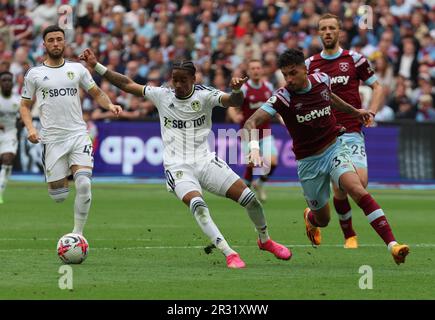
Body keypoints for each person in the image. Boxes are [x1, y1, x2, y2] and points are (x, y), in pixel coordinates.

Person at [80, 48, 291, 269]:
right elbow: (127, 84)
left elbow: (233, 101)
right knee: (198, 206)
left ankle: (265, 240)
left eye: (183, 81)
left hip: (206, 160)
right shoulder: (163, 95)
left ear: (193, 78)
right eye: (174, 80)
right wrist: (96, 66)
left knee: (250, 199)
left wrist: (237, 90)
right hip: (177, 166)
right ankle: (229, 252)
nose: (177, 85)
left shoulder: (205, 95)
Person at [244, 49, 409, 265]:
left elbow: (331, 98)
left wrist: (355, 112)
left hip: (334, 149)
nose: (290, 80)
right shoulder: (282, 97)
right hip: (308, 162)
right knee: (323, 219)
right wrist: (254, 148)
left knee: (357, 188)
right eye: (286, 75)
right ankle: (310, 217)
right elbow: (251, 122)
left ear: (305, 69)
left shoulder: (322, 79)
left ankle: (393, 246)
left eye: (293, 73)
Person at [19, 25, 122, 236]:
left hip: (77, 135)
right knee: (59, 195)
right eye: (51, 40)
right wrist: (30, 128)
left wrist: (110, 105)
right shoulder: (35, 74)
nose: (56, 43)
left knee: (84, 183)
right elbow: (24, 106)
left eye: (59, 39)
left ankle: (78, 234)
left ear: (64, 42)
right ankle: (60, 173)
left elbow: (97, 92)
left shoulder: (78, 69)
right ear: (44, 44)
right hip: (52, 139)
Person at [306, 13, 384, 249]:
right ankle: (349, 235)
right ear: (319, 33)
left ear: (339, 31)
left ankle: (312, 216)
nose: (328, 32)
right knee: (343, 187)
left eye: (332, 28)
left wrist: (372, 111)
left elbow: (377, 86)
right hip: (326, 136)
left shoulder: (356, 60)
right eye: (323, 29)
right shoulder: (310, 64)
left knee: (359, 183)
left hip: (351, 130)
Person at [227, 59, 277, 202]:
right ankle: (247, 193)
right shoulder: (244, 89)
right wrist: (234, 115)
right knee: (251, 164)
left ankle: (259, 183)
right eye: (253, 68)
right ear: (249, 71)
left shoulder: (268, 87)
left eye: (258, 68)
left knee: (272, 163)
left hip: (265, 132)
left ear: (262, 70)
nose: (256, 70)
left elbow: (276, 105)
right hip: (248, 133)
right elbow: (232, 104)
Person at [0, 71, 20, 204]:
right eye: (4, 80)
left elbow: (23, 116)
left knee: (7, 160)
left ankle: (0, 192)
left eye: (9, 80)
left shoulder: (18, 100)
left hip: (10, 134)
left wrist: (23, 123)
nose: (7, 83)